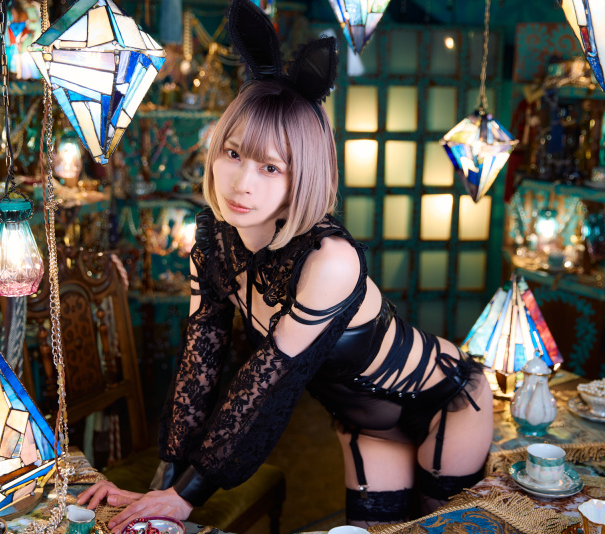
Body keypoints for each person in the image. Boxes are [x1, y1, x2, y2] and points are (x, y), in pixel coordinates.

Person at [78, 0, 493, 528]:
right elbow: (200, 363)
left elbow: (264, 387)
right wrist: (163, 484)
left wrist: (187, 497)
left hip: (445, 404)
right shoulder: (214, 240)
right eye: (233, 154)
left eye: (270, 167)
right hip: (366, 425)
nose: (242, 183)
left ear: (303, 174)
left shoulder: (330, 259)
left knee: (438, 528)